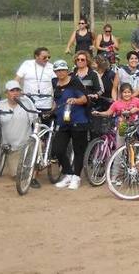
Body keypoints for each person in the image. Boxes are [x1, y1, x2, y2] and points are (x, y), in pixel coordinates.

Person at [51, 60, 89, 190]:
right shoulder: (54, 83)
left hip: (78, 120)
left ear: (67, 70)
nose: (60, 73)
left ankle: (76, 176)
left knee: (79, 150)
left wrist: (75, 100)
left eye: (62, 70)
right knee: (57, 149)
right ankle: (68, 173)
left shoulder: (74, 82)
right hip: (62, 121)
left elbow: (84, 99)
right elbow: (56, 101)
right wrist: (50, 111)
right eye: (57, 71)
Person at [0, 81, 37, 183]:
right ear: (6, 93)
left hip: (26, 145)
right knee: (17, 175)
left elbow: (35, 121)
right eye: (12, 91)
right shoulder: (0, 105)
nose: (15, 93)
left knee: (27, 174)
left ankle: (33, 176)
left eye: (17, 90)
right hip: (11, 147)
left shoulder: (27, 103)